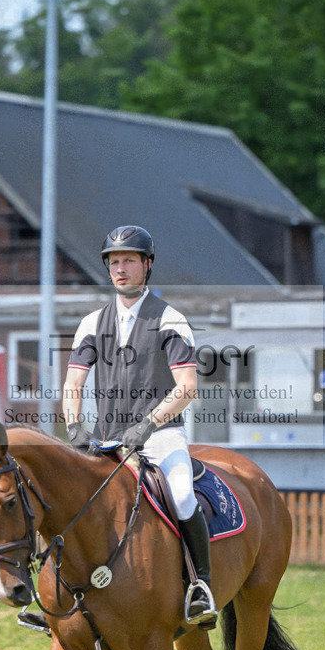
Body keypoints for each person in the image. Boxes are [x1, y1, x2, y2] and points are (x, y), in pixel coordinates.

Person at [64, 225, 218, 629]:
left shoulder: (171, 320)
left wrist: (148, 424)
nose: (120, 268)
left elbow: (187, 387)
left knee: (183, 496)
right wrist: (74, 426)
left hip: (161, 437)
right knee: (65, 501)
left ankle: (200, 586)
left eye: (129, 260)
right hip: (106, 439)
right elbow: (73, 382)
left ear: (147, 265)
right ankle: (60, 594)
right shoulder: (91, 323)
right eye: (114, 262)